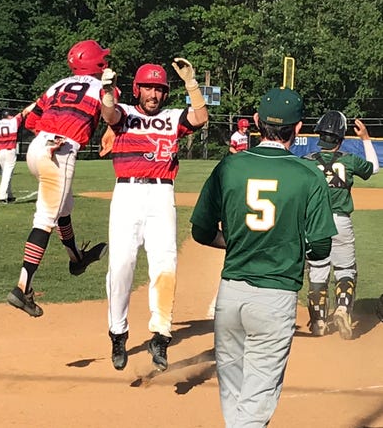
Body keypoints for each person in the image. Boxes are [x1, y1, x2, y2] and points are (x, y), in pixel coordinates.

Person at [190, 87, 337, 427]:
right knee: (256, 401)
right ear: (298, 129)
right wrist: (289, 244)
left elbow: (200, 231)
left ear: (256, 123)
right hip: (275, 297)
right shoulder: (308, 175)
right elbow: (322, 247)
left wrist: (240, 241)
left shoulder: (229, 166)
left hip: (230, 295)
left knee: (234, 392)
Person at [100, 58, 209, 372]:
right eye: (148, 87)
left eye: (159, 89)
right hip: (127, 193)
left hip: (161, 194)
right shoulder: (126, 114)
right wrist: (108, 91)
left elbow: (200, 117)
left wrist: (191, 82)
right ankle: (117, 333)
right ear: (137, 89)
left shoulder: (173, 117)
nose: (154, 94)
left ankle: (160, 336)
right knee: (121, 265)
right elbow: (110, 113)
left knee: (165, 265)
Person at [6, 39, 111, 318]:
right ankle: (22, 286)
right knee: (45, 219)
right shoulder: (102, 87)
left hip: (38, 146)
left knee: (64, 208)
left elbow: (30, 121)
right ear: (97, 64)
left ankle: (76, 258)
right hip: (60, 151)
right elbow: (114, 116)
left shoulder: (57, 85)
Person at [303, 111, 379, 339]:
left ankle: (318, 320)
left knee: (317, 269)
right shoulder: (349, 159)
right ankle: (343, 309)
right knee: (345, 269)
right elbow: (373, 168)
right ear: (341, 138)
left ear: (319, 134)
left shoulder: (306, 162)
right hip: (341, 222)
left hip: (315, 222)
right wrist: (365, 138)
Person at [0, 108, 25, 203]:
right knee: (7, 174)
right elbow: (24, 113)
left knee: (7, 173)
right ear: (9, 116)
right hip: (9, 150)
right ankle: (2, 196)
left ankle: (9, 195)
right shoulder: (13, 122)